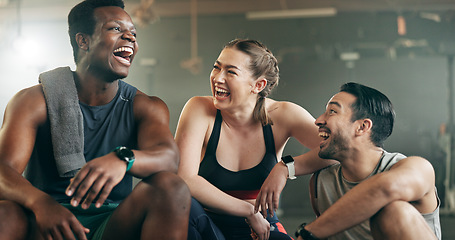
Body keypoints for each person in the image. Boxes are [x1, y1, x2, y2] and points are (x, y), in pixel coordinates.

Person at [0, 0, 191, 239]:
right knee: (4, 213)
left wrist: (123, 158)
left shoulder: (145, 106)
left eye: (133, 32)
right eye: (115, 29)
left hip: (111, 223)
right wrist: (42, 204)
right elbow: (3, 171)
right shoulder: (33, 100)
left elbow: (169, 159)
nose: (130, 37)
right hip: (45, 221)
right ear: (83, 41)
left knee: (171, 188)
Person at [175, 39, 333, 240]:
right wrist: (248, 211)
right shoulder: (198, 108)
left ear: (258, 85)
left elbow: (335, 151)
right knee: (175, 201)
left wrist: (285, 168)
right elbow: (185, 179)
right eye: (217, 68)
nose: (217, 78)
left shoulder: (283, 114)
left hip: (262, 225)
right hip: (204, 221)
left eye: (230, 72)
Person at [256, 82, 441, 240]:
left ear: (362, 126)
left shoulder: (417, 168)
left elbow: (385, 188)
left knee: (392, 213)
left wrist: (308, 235)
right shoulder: (321, 183)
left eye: (332, 112)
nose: (318, 120)